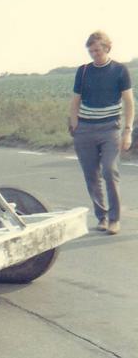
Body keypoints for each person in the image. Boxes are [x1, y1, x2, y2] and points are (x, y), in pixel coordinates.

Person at [70, 31, 134, 235]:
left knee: (109, 170)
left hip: (110, 129)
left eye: (97, 50)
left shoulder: (119, 70)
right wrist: (74, 124)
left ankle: (115, 219)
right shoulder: (84, 71)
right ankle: (102, 217)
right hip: (85, 129)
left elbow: (129, 102)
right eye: (90, 51)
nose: (94, 54)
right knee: (91, 175)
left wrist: (127, 131)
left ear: (107, 48)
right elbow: (75, 100)